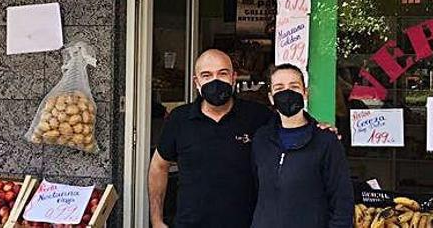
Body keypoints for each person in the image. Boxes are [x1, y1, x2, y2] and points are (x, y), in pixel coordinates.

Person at [148, 49, 274, 228]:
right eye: (206, 75)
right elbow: (158, 166)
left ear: (233, 78)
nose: (215, 81)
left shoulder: (258, 117)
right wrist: (156, 220)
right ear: (196, 82)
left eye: (222, 73)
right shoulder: (179, 119)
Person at [251, 64, 354, 228]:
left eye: (294, 86)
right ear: (271, 97)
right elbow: (256, 190)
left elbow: (342, 202)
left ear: (305, 92)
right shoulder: (261, 139)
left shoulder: (326, 141)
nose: (287, 92)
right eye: (279, 88)